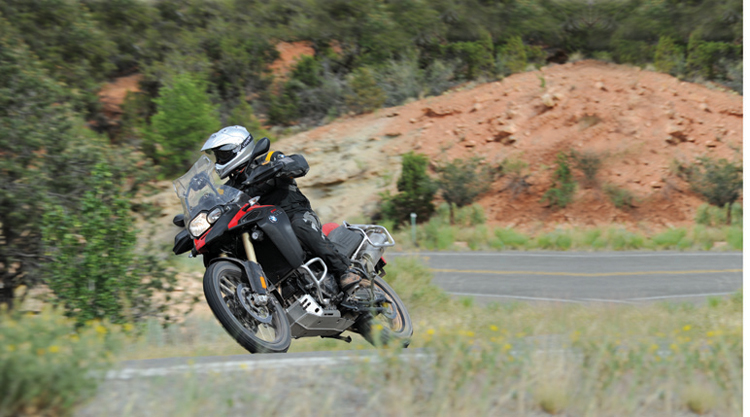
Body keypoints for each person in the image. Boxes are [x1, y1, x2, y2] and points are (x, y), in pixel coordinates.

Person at [200, 125, 367, 299]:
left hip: (293, 214)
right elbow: (216, 205)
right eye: (218, 156)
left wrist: (282, 166)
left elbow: (299, 163)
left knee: (299, 226)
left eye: (223, 154)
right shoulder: (228, 188)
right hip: (262, 229)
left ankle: (345, 270)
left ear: (239, 148)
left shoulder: (267, 159)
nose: (219, 160)